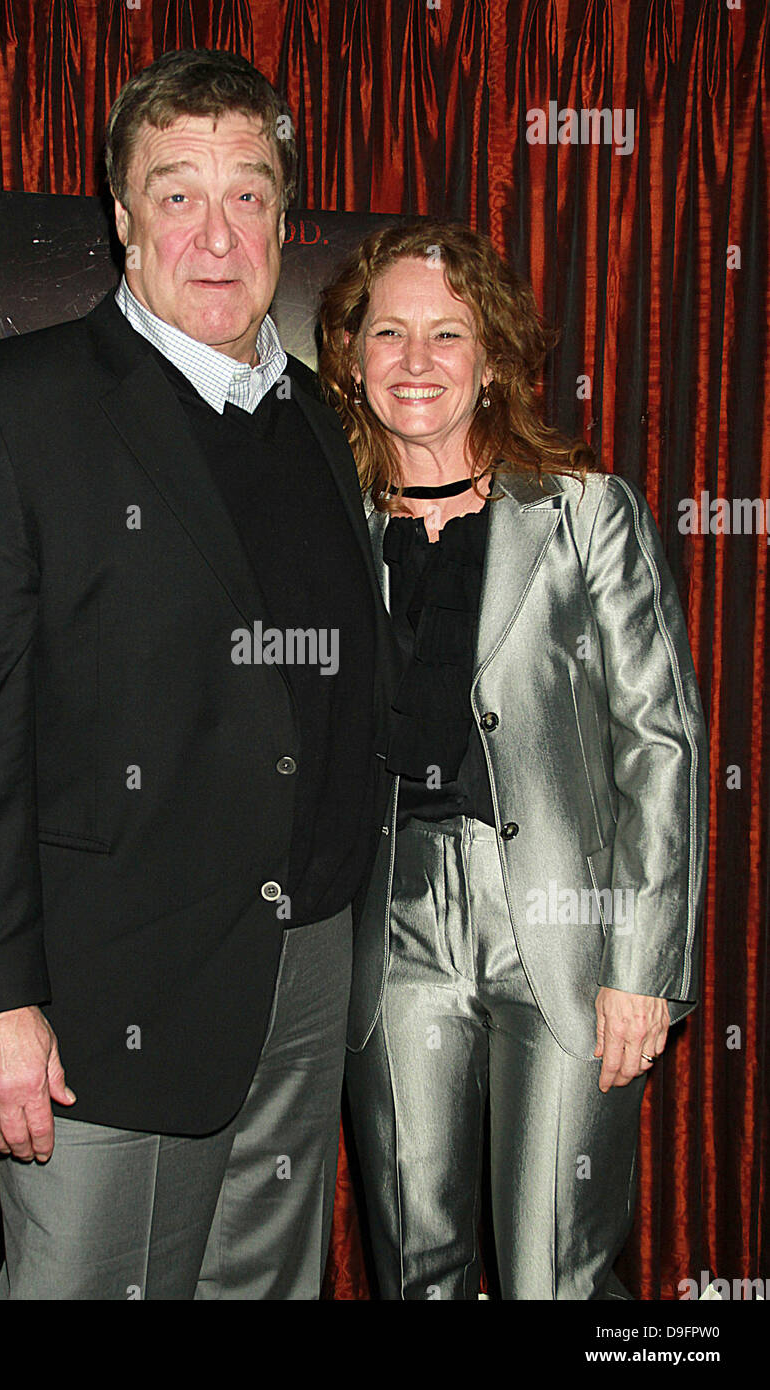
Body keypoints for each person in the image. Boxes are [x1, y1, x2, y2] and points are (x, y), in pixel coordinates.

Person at [0, 48, 397, 1300]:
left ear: (284, 215)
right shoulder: (6, 407)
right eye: (178, 194)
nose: (215, 235)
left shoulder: (323, 420)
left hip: (306, 970)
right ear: (120, 218)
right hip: (104, 1000)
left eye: (248, 194)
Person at [317, 219, 708, 1300]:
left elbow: (661, 741)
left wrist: (645, 963)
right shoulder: (325, 525)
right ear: (346, 354)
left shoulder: (582, 511)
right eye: (385, 332)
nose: (413, 360)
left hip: (564, 924)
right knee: (417, 1265)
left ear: (491, 359)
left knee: (554, 1271)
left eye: (446, 335)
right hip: (388, 921)